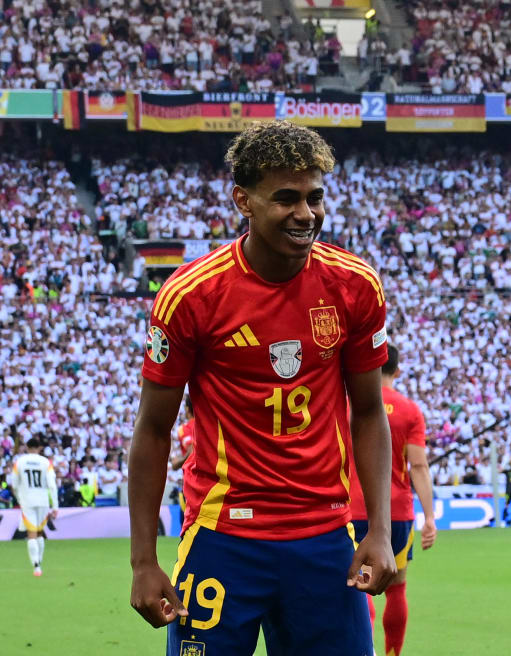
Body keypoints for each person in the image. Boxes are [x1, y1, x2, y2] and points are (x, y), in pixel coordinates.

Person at [128, 121, 398, 656]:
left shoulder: (355, 285)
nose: (306, 214)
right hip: (222, 536)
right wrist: (142, 560)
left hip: (324, 537)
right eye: (286, 198)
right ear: (243, 201)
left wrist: (380, 531)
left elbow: (368, 412)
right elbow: (154, 430)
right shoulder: (191, 295)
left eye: (315, 197)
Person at [349, 344, 438, 656]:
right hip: (395, 511)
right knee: (397, 586)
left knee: (361, 588)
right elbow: (419, 466)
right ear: (397, 371)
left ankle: (365, 650)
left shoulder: (350, 403)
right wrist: (430, 516)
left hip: (351, 507)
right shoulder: (409, 409)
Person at [9, 437, 59, 576]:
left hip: (27, 500)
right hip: (42, 500)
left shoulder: (19, 462)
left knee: (31, 533)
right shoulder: (45, 462)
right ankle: (40, 560)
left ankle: (36, 566)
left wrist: (20, 499)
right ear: (39, 448)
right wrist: (55, 506)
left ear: (27, 447)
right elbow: (52, 485)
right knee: (39, 532)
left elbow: (14, 484)